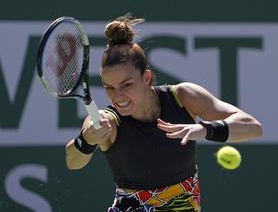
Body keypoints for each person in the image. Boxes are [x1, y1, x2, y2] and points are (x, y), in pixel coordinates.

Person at [65, 14, 262, 212]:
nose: (118, 96)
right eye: (110, 87)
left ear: (146, 77)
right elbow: (72, 162)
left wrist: (203, 130)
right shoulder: (107, 121)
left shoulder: (183, 97)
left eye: (126, 85)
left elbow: (253, 127)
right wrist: (86, 139)